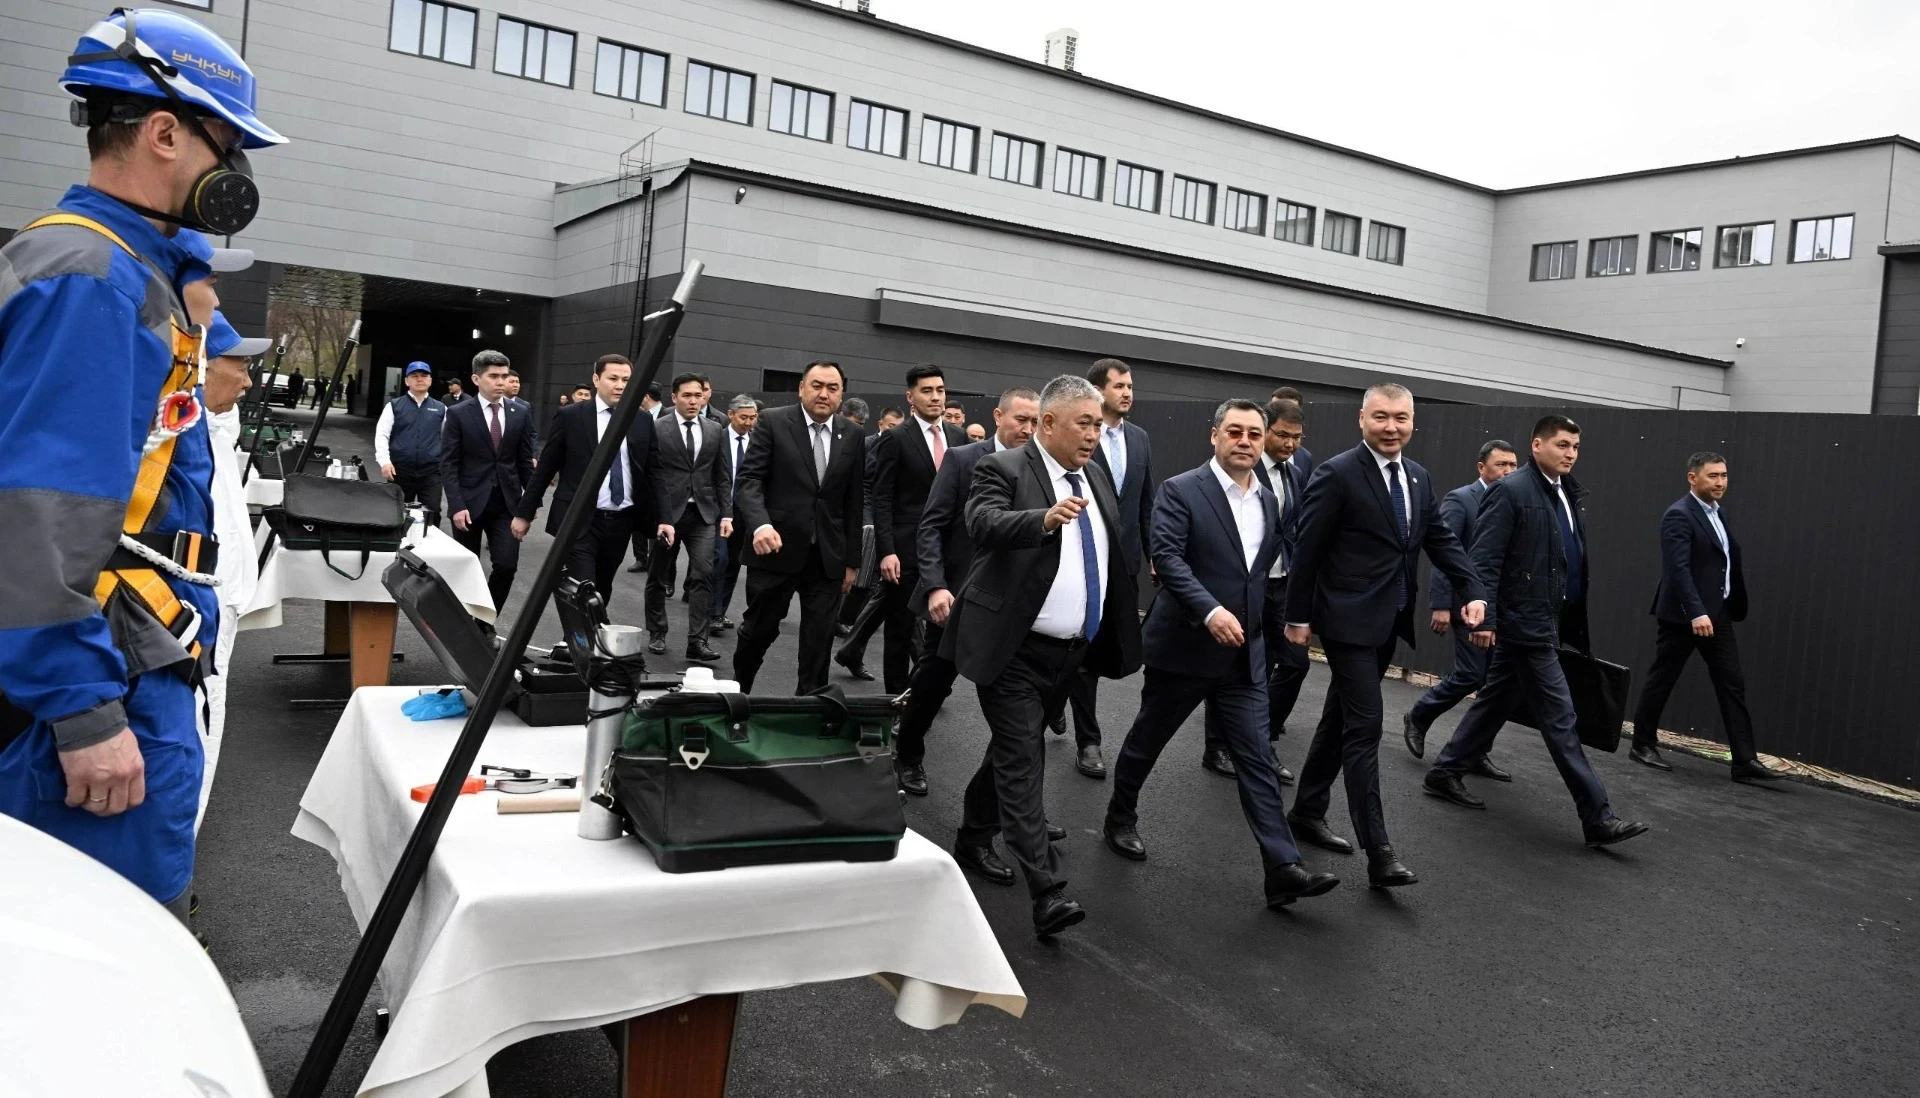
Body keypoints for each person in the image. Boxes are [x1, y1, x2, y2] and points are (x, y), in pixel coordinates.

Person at [0, 7, 285, 912]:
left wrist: (185, 258)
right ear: (165, 133)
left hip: (132, 644)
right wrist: (82, 710)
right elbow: (40, 513)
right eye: (226, 148)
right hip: (103, 667)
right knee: (97, 943)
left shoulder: (118, 261)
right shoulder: (91, 281)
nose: (235, 176)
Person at [1104, 400, 1340, 909]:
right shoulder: (1180, 490)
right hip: (1184, 648)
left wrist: (1287, 622)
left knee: (1256, 758)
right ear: (1215, 436)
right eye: (1235, 431)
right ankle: (1120, 816)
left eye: (1254, 433)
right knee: (1148, 740)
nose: (1245, 441)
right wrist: (1210, 611)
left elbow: (1264, 574)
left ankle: (1282, 867)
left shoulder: (1269, 501)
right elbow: (1168, 558)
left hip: (1243, 656)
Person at [947, 375, 1142, 938]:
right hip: (1012, 648)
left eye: (1099, 425)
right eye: (1084, 423)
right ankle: (1047, 890)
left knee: (1011, 751)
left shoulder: (1096, 476)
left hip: (1071, 654)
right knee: (1022, 757)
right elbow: (982, 522)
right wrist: (1041, 519)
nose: (1094, 434)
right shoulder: (1003, 468)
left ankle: (973, 835)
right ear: (1049, 423)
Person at [1283, 382, 1484, 888]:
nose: (1391, 427)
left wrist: (1473, 589)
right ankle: (1380, 852)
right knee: (1365, 728)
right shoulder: (1337, 474)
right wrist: (1297, 617)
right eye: (1381, 417)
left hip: (1389, 620)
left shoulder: (1417, 477)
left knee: (1339, 717)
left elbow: (1439, 538)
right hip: (1346, 622)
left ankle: (1307, 810)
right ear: (1362, 420)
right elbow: (1307, 550)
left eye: (1400, 418)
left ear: (1413, 421)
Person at [1422, 416, 1651, 847]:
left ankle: (1444, 771)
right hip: (1524, 626)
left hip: (1546, 620)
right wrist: (1486, 620)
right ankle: (1597, 817)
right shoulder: (1512, 491)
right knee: (1561, 719)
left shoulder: (1566, 492)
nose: (1570, 453)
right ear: (1537, 445)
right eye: (1562, 445)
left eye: (1576, 447)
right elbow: (1484, 560)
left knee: (1496, 700)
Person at [893, 388, 1041, 796]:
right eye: (1021, 420)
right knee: (933, 683)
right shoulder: (962, 459)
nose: (1028, 429)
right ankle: (907, 754)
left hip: (1013, 604)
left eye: (1035, 421)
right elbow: (931, 526)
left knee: (1016, 706)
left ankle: (1008, 796)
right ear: (998, 416)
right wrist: (935, 586)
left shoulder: (1041, 467)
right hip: (956, 599)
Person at [1627, 453, 1783, 783]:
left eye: (1724, 475)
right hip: (1684, 617)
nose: (1720, 482)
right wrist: (1696, 612)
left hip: (1718, 613)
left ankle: (1744, 761)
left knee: (1732, 682)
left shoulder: (1718, 513)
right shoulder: (1678, 515)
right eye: (1713, 476)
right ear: (1692, 478)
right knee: (1663, 678)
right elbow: (1678, 570)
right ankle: (1642, 745)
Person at [731, 362, 866, 695]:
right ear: (801, 387)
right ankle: (737, 694)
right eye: (817, 385)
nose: (824, 394)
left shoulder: (852, 434)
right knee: (758, 631)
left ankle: (809, 708)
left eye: (832, 388)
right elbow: (749, 480)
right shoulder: (773, 422)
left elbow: (853, 501)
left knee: (819, 641)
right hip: (775, 548)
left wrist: (852, 561)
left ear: (841, 394)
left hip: (827, 556)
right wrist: (760, 524)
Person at [840, 364, 968, 694]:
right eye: (927, 391)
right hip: (905, 549)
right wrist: (887, 551)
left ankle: (924, 692)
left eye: (940, 390)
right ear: (911, 397)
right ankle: (894, 700)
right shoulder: (895, 439)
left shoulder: (958, 437)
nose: (936, 397)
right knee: (899, 628)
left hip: (949, 550)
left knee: (944, 627)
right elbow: (882, 497)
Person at [1200, 399, 1309, 781]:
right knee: (1232, 664)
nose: (1290, 444)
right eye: (1282, 435)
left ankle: (1260, 740)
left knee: (1294, 663)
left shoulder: (1297, 473)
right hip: (1242, 585)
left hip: (1282, 583)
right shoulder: (1238, 467)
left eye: (1297, 437)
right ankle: (1218, 747)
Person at [1061, 358, 1154, 779]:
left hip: (1125, 561)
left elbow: (1146, 502)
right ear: (1098, 391)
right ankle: (1089, 741)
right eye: (1119, 386)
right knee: (1081, 647)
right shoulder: (1079, 434)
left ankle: (1056, 694)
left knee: (1106, 647)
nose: (1128, 392)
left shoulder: (1140, 438)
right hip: (1081, 555)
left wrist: (1155, 555)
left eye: (1130, 386)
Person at [1402, 439, 1521, 772]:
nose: (1508, 471)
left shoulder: (1515, 502)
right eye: (1501, 465)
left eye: (1513, 465)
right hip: (1465, 605)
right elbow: (1445, 553)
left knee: (1494, 685)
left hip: (1500, 609)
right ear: (1482, 467)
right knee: (1471, 674)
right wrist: (1441, 604)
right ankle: (1419, 715)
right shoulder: (1461, 500)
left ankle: (1474, 750)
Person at [513, 354, 661, 602]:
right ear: (596, 379)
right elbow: (546, 466)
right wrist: (524, 512)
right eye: (613, 378)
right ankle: (582, 627)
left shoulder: (642, 419)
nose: (620, 385)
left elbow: (654, 471)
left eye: (626, 380)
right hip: (579, 519)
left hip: (620, 520)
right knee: (584, 588)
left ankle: (589, 627)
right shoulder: (571, 416)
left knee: (603, 588)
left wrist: (664, 518)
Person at [199, 312, 267, 831]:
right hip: (197, 609)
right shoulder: (174, 434)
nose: (248, 381)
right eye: (239, 366)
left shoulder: (216, 426)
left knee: (206, 728)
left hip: (222, 602)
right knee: (195, 729)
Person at [646, 374, 732, 663]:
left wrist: (726, 514)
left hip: (703, 515)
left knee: (703, 574)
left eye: (698, 395)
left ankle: (698, 640)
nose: (694, 401)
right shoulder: (658, 427)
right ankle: (657, 631)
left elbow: (722, 475)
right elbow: (650, 472)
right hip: (667, 515)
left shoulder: (715, 429)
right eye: (687, 395)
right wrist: (655, 513)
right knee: (658, 575)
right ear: (674, 397)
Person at [442, 350, 536, 611]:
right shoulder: (459, 413)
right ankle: (464, 622)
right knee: (467, 568)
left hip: (507, 504)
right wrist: (456, 505)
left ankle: (485, 619)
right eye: (494, 376)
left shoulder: (520, 412)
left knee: (506, 565)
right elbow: (448, 463)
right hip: (468, 504)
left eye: (504, 376)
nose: (501, 382)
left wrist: (529, 504)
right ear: (476, 379)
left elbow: (524, 461)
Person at [375, 362, 447, 527]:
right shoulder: (394, 406)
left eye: (424, 376)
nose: (419, 379)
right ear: (407, 381)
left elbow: (449, 439)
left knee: (432, 512)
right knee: (396, 513)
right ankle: (398, 543)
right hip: (400, 470)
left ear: (430, 380)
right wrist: (384, 462)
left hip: (431, 472)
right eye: (414, 376)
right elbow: (382, 435)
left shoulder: (441, 408)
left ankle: (428, 543)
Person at [711, 394, 759, 634]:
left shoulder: (758, 443)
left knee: (733, 563)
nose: (748, 423)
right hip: (719, 510)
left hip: (744, 512)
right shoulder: (716, 438)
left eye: (753, 418)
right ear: (730, 415)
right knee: (718, 560)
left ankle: (719, 611)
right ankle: (712, 611)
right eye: (744, 417)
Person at [627, 383, 669, 573]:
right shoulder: (634, 416)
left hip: (660, 476)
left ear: (646, 396)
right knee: (638, 519)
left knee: (658, 520)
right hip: (639, 479)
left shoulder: (668, 416)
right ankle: (640, 558)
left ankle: (655, 560)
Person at [1271, 386, 1316, 479]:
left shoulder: (1305, 458)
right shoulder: (1253, 454)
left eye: (1288, 410)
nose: (1289, 444)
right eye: (1275, 409)